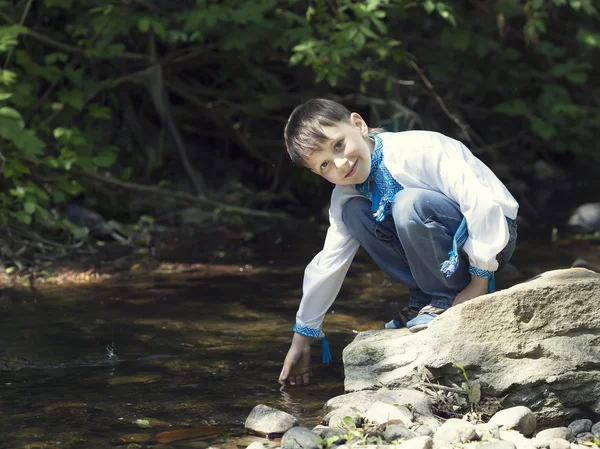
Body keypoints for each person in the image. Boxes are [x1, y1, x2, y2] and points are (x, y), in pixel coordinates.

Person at [278, 99, 518, 387]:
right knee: (353, 212)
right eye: (325, 165)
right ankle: (423, 298)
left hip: (492, 233)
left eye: (339, 145)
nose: (340, 165)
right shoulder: (345, 193)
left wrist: (480, 279)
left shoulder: (417, 150)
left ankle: (443, 297)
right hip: (440, 246)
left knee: (408, 203)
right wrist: (303, 336)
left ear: (358, 124)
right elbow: (329, 262)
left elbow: (479, 203)